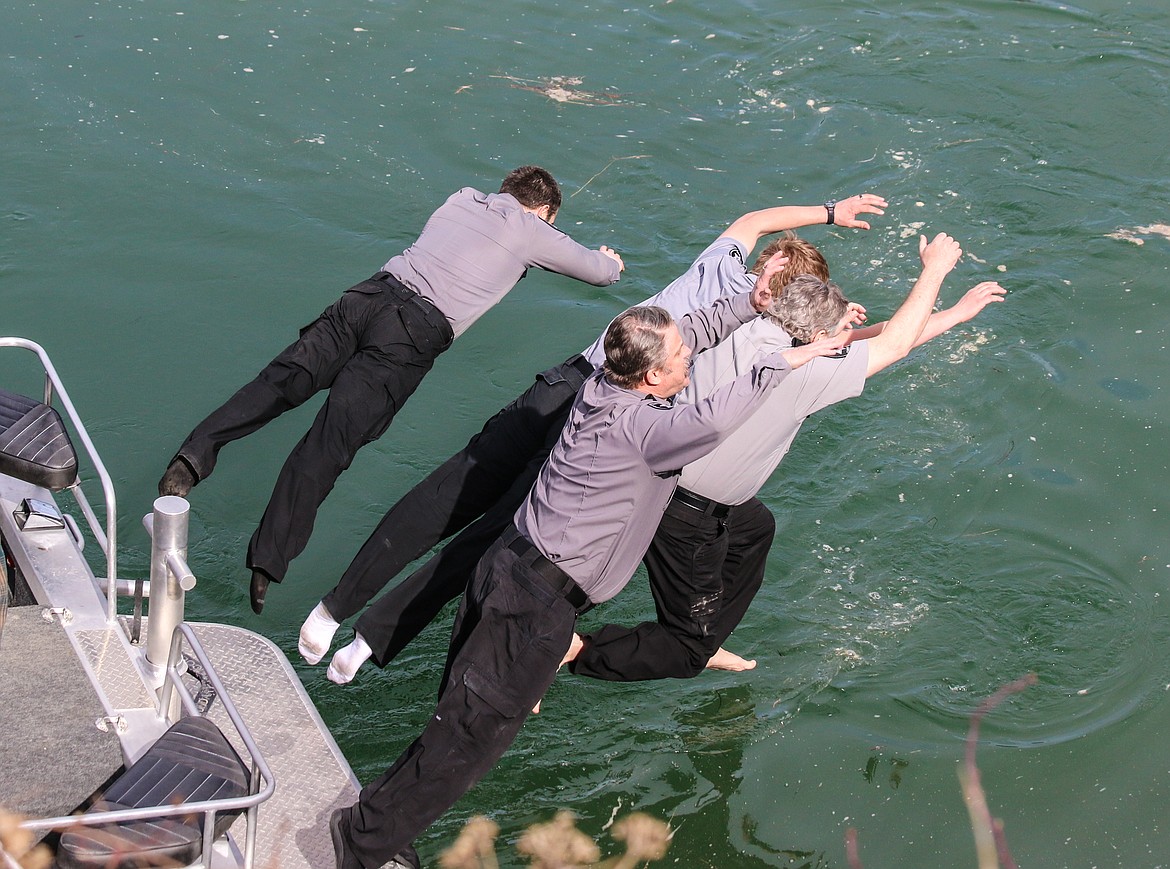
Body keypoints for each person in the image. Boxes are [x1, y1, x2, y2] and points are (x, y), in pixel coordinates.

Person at [328, 273, 852, 869]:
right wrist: (782, 361)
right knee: (468, 741)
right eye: (682, 358)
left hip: (505, 571)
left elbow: (693, 331)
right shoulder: (646, 431)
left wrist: (743, 305)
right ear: (652, 375)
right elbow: (709, 421)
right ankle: (363, 846)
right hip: (532, 606)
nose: (691, 361)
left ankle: (375, 823)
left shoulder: (603, 386)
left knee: (457, 722)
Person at [298, 194, 889, 675]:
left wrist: (846, 330)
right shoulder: (721, 266)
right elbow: (756, 222)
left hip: (602, 418)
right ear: (766, 266)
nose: (772, 279)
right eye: (775, 268)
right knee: (448, 494)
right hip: (575, 387)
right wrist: (832, 212)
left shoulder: (759, 338)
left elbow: (808, 346)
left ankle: (373, 635)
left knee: (493, 536)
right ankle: (336, 606)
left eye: (785, 285)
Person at [156, 166, 624, 613]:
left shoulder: (460, 199)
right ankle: (267, 561)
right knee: (329, 443)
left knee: (277, 384)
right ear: (544, 212)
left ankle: (191, 460)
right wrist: (610, 260)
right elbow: (599, 273)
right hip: (409, 334)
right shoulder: (531, 229)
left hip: (367, 297)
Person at [568, 238, 1007, 680]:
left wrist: (954, 314)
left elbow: (869, 341)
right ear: (816, 340)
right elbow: (893, 345)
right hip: (686, 512)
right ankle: (581, 651)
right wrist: (934, 272)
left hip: (660, 481)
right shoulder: (804, 372)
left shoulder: (738, 326)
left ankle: (703, 636)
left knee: (755, 527)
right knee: (685, 651)